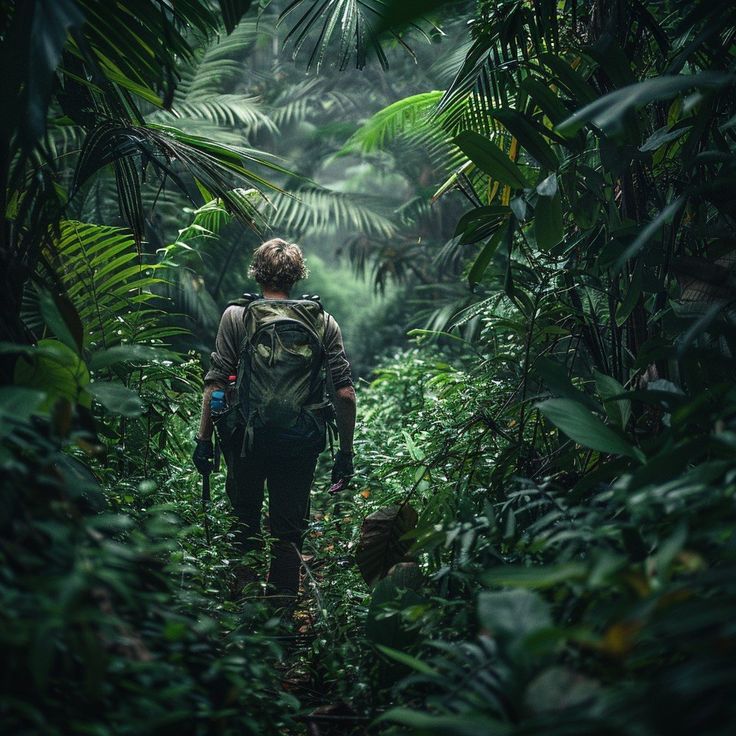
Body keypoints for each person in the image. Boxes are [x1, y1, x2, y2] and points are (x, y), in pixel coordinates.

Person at [192, 238, 357, 608]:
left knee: (244, 522)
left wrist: (204, 439)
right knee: (288, 530)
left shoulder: (237, 316)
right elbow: (344, 393)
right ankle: (281, 609)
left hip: (246, 439)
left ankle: (245, 606)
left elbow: (216, 382)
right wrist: (345, 454)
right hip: (300, 441)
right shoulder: (322, 321)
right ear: (298, 276)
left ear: (257, 272)